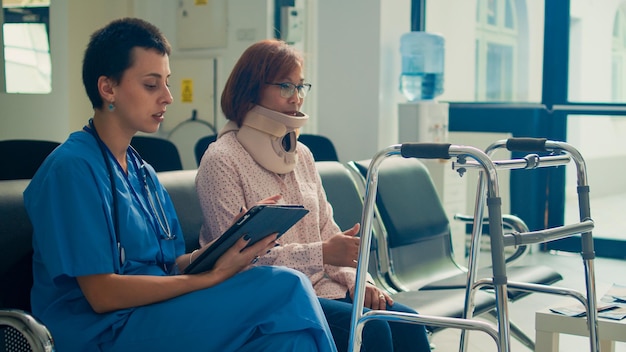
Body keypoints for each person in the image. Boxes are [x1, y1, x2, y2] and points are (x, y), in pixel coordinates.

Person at [23, 18, 337, 352]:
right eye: (151, 85)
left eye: (167, 83)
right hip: (102, 330)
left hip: (155, 313)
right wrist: (206, 278)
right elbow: (102, 295)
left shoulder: (142, 172)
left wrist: (224, 249)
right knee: (287, 286)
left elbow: (167, 265)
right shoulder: (72, 169)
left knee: (290, 339)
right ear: (108, 88)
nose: (168, 98)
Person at [195, 39, 432, 352]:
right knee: (371, 330)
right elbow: (237, 261)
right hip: (269, 297)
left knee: (409, 323)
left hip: (324, 287)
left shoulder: (301, 154)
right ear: (251, 88)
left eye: (300, 86)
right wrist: (322, 254)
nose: (296, 97)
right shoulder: (221, 160)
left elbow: (329, 234)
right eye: (285, 86)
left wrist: (362, 284)